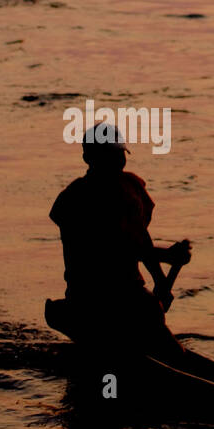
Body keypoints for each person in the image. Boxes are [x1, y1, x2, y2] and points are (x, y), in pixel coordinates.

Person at [47, 123, 190, 358]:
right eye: (108, 156)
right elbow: (111, 247)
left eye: (119, 155)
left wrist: (160, 280)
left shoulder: (131, 187)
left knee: (151, 314)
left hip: (128, 290)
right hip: (92, 296)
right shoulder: (77, 198)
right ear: (88, 158)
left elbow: (140, 239)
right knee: (147, 314)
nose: (115, 162)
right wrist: (166, 255)